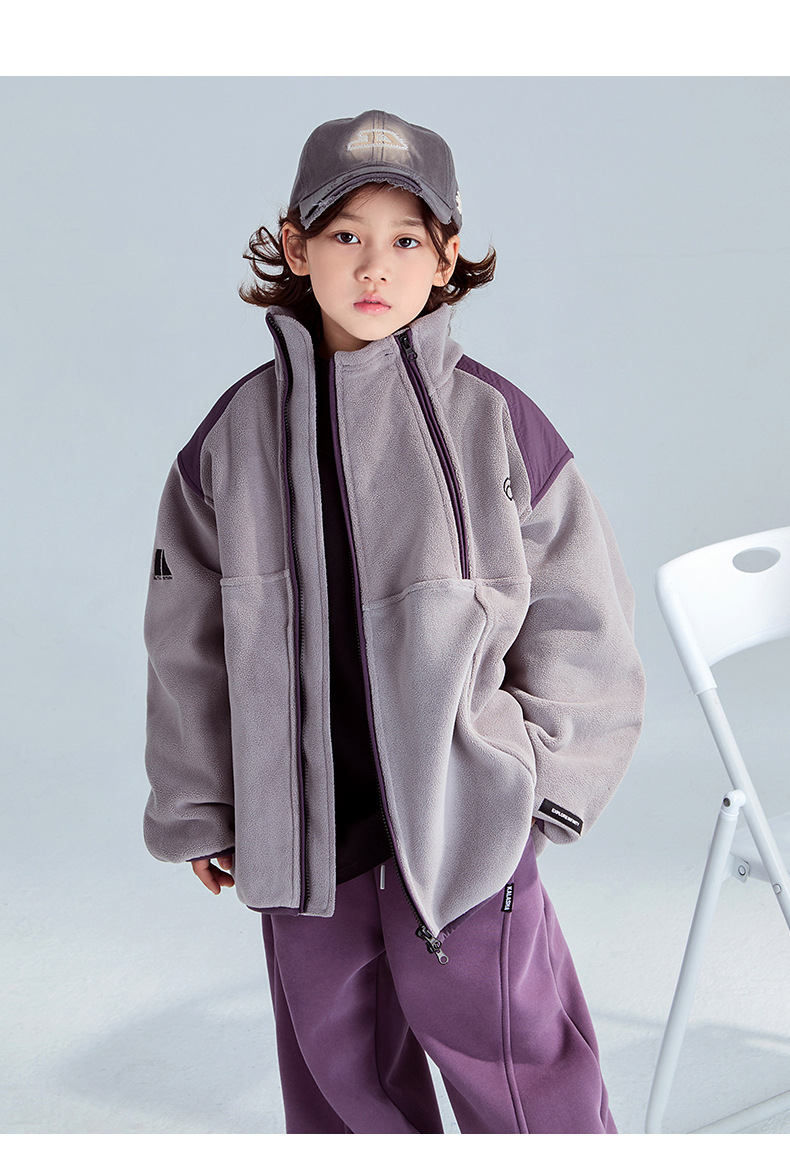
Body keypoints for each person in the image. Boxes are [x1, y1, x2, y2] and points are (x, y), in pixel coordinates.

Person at [142, 109, 645, 1134]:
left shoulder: (494, 421)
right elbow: (184, 642)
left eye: (407, 238)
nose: (376, 265)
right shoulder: (228, 441)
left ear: (446, 257)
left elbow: (581, 611)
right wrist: (200, 801)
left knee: (516, 1066)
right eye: (346, 235)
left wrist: (550, 784)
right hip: (302, 832)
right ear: (297, 248)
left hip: (466, 818)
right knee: (340, 1083)